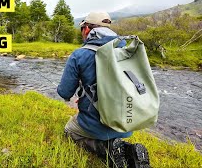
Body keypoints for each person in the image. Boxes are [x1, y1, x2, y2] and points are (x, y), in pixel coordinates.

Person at [57, 12, 150, 168]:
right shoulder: (126, 51)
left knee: (69, 130)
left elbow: (65, 92)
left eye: (82, 29)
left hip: (94, 124)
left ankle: (107, 149)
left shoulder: (80, 54)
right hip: (125, 124)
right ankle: (129, 149)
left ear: (87, 29)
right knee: (110, 134)